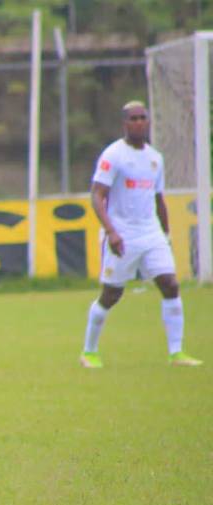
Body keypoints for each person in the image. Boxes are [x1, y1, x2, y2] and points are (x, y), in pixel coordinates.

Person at [80, 100, 202, 368]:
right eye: (133, 118)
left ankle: (176, 352)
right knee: (111, 294)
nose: (138, 122)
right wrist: (111, 231)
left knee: (170, 284)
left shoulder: (155, 158)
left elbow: (158, 199)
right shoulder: (113, 155)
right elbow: (97, 195)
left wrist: (165, 234)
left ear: (148, 121)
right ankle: (89, 352)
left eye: (142, 117)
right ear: (124, 123)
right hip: (122, 233)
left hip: (151, 233)